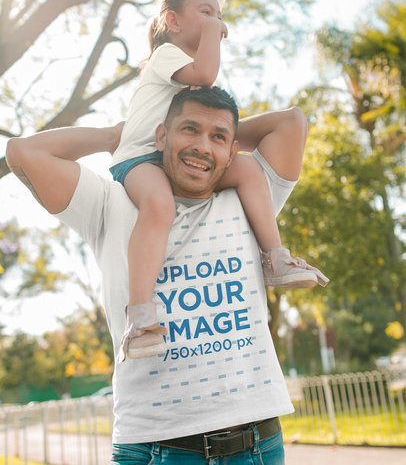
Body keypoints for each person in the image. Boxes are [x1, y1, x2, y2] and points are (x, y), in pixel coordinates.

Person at [6, 85, 327, 464]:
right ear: (161, 135)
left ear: (232, 152)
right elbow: (22, 152)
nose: (202, 146)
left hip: (256, 445)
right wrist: (119, 137)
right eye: (188, 129)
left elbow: (291, 122)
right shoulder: (111, 201)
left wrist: (217, 136)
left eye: (218, 138)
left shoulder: (252, 195)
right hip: (154, 449)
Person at [106, 0, 328, 360]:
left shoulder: (189, 76)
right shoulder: (166, 56)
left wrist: (223, 140)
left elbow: (210, 109)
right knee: (159, 205)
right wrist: (213, 31)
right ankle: (141, 317)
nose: (215, 20)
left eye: (217, 14)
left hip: (171, 158)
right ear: (171, 21)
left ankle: (275, 257)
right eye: (205, 12)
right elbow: (207, 75)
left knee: (243, 168)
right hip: (139, 159)